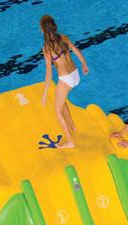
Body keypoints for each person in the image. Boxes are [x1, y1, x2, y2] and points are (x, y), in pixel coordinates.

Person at [40, 15, 89, 148]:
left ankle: (70, 141)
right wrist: (84, 64)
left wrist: (44, 93)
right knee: (61, 100)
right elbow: (76, 50)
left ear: (43, 30)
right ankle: (72, 127)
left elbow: (49, 73)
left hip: (66, 79)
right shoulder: (63, 37)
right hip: (75, 74)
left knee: (57, 110)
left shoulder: (47, 48)